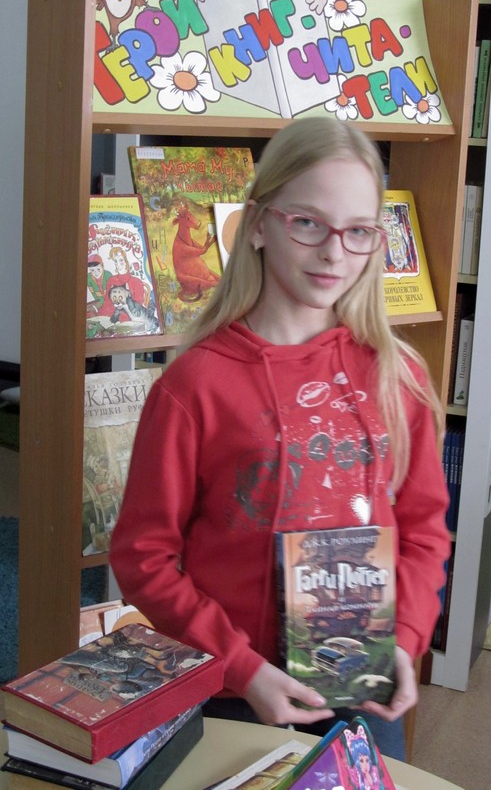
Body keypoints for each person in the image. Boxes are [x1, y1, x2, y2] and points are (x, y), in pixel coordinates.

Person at [109, 117, 451, 760]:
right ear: (259, 225)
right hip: (232, 686)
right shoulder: (195, 385)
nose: (334, 253)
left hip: (359, 676)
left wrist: (405, 639)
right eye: (308, 223)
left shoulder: (396, 376)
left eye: (358, 231)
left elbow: (426, 531)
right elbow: (143, 557)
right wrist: (243, 669)